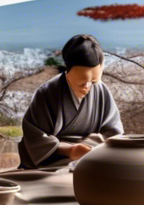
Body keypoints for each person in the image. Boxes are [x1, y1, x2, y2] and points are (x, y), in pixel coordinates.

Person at [19, 34, 124, 168]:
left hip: (94, 157)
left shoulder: (101, 91)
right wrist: (70, 151)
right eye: (81, 82)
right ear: (67, 71)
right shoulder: (47, 92)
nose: (87, 87)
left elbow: (113, 131)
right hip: (55, 161)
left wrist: (92, 146)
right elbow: (35, 138)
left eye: (93, 81)